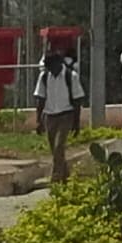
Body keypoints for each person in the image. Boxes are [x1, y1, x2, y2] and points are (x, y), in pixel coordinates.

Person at [33, 44, 85, 184]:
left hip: (66, 115)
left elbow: (77, 100)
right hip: (50, 116)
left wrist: (76, 122)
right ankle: (66, 176)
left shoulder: (70, 76)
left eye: (52, 67)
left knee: (59, 146)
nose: (50, 70)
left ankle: (56, 178)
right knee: (54, 150)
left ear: (59, 63)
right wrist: (38, 120)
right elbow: (40, 99)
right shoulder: (44, 77)